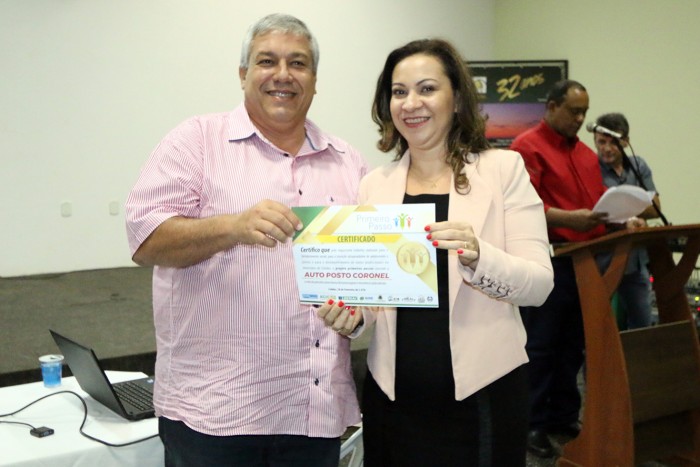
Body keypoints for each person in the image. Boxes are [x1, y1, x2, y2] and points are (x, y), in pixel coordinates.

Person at [125, 13, 367, 467]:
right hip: (215, 414)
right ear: (243, 74)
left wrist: (357, 313)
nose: (283, 74)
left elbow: (367, 273)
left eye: (298, 63)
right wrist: (232, 227)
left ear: (315, 80)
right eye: (267, 61)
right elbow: (145, 239)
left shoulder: (347, 161)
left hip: (313, 412)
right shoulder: (196, 141)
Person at [318, 38, 554, 466]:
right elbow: (376, 294)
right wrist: (353, 315)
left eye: (427, 88)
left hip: (484, 395)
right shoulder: (374, 185)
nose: (411, 103)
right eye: (399, 91)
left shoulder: (503, 171)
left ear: (457, 98)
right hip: (394, 400)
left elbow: (539, 285)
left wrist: (479, 256)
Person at [510, 80, 644, 458]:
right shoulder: (526, 147)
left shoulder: (585, 154)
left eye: (584, 111)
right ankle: (533, 423)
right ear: (551, 107)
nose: (581, 118)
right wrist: (570, 218)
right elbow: (522, 207)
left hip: (585, 263)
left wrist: (624, 220)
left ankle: (563, 416)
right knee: (541, 345)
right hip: (548, 261)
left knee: (572, 346)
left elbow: (597, 206)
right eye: (573, 111)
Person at [594, 112, 661, 329]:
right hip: (601, 260)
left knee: (642, 322)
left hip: (635, 259)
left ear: (625, 141)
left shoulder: (638, 165)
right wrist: (632, 214)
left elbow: (656, 208)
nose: (606, 148)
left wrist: (629, 214)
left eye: (613, 142)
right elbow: (595, 212)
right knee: (599, 324)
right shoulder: (590, 168)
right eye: (601, 142)